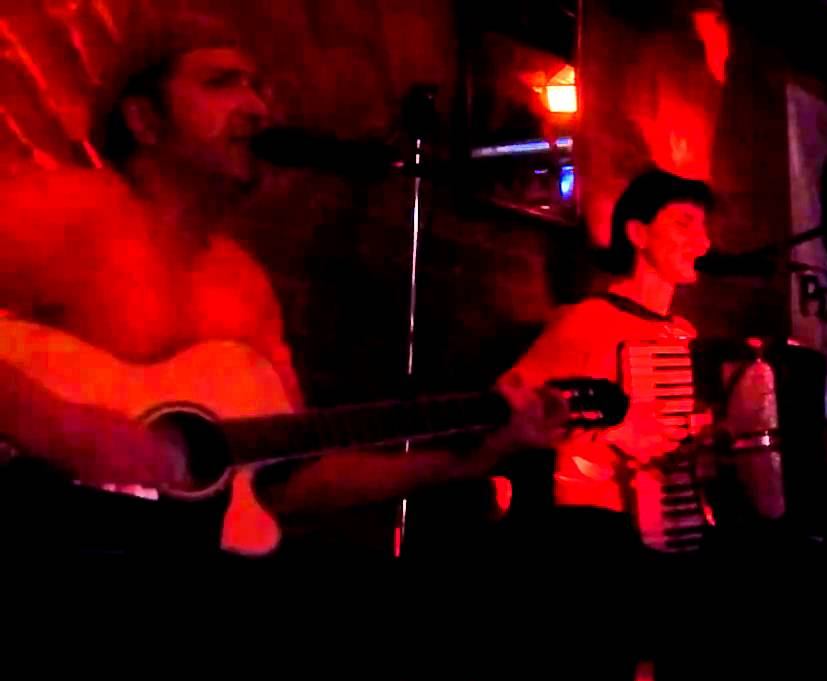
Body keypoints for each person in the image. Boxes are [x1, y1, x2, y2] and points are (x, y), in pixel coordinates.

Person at [0, 15, 569, 557]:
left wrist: (473, 459)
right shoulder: (69, 209)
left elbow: (291, 484)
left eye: (256, 87)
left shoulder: (243, 282)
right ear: (144, 119)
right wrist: (55, 425)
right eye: (221, 83)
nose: (256, 108)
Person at [453, 169, 793, 681]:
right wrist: (611, 436)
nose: (702, 241)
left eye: (703, 228)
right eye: (684, 224)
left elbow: (678, 439)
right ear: (637, 233)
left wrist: (711, 442)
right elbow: (505, 410)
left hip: (666, 540)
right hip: (592, 548)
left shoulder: (683, 334)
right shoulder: (586, 322)